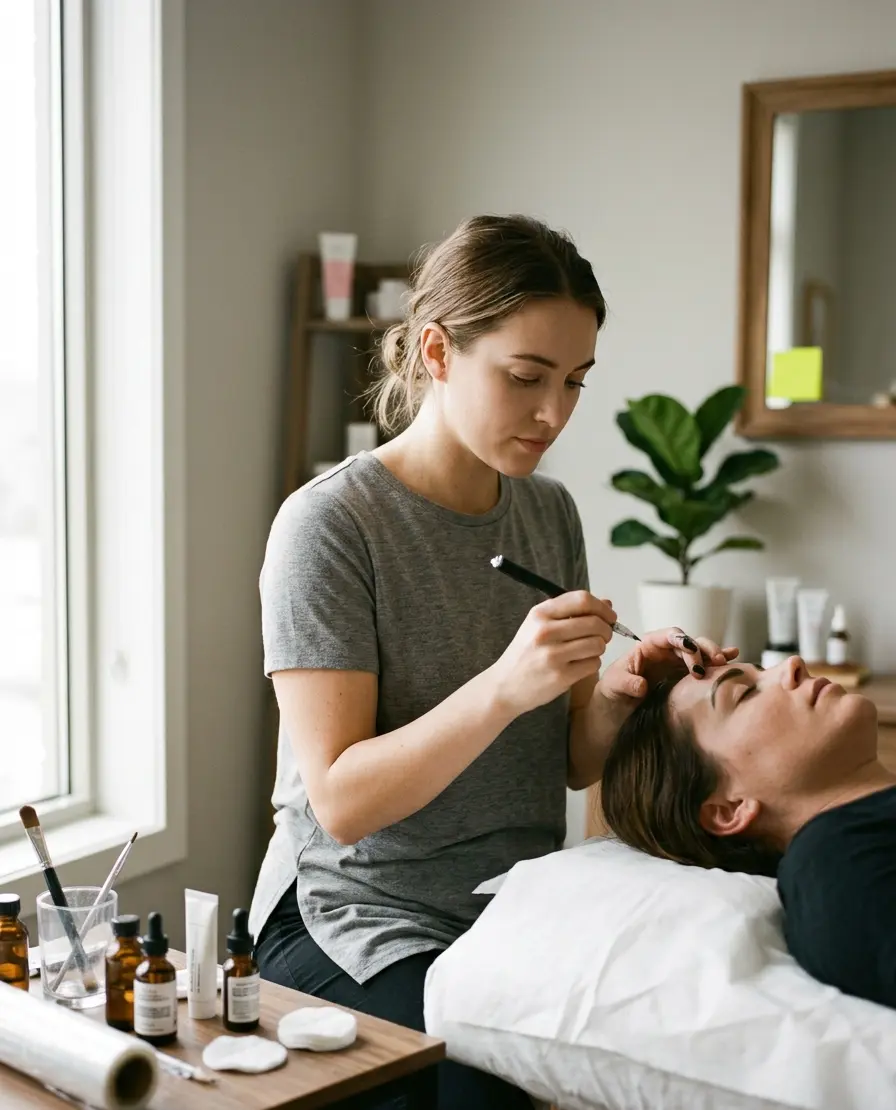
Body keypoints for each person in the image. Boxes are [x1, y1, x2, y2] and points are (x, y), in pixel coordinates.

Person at [248, 214, 733, 1109]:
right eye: (525, 377)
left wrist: (620, 693)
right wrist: (505, 688)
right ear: (436, 351)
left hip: (506, 911)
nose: (555, 412)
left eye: (575, 381)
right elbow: (343, 803)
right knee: (493, 1098)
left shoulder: (548, 513)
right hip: (352, 920)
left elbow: (573, 758)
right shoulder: (331, 527)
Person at [601, 653, 896, 1010]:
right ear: (728, 810)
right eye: (744, 693)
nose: (793, 664)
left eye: (761, 672)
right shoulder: (838, 869)